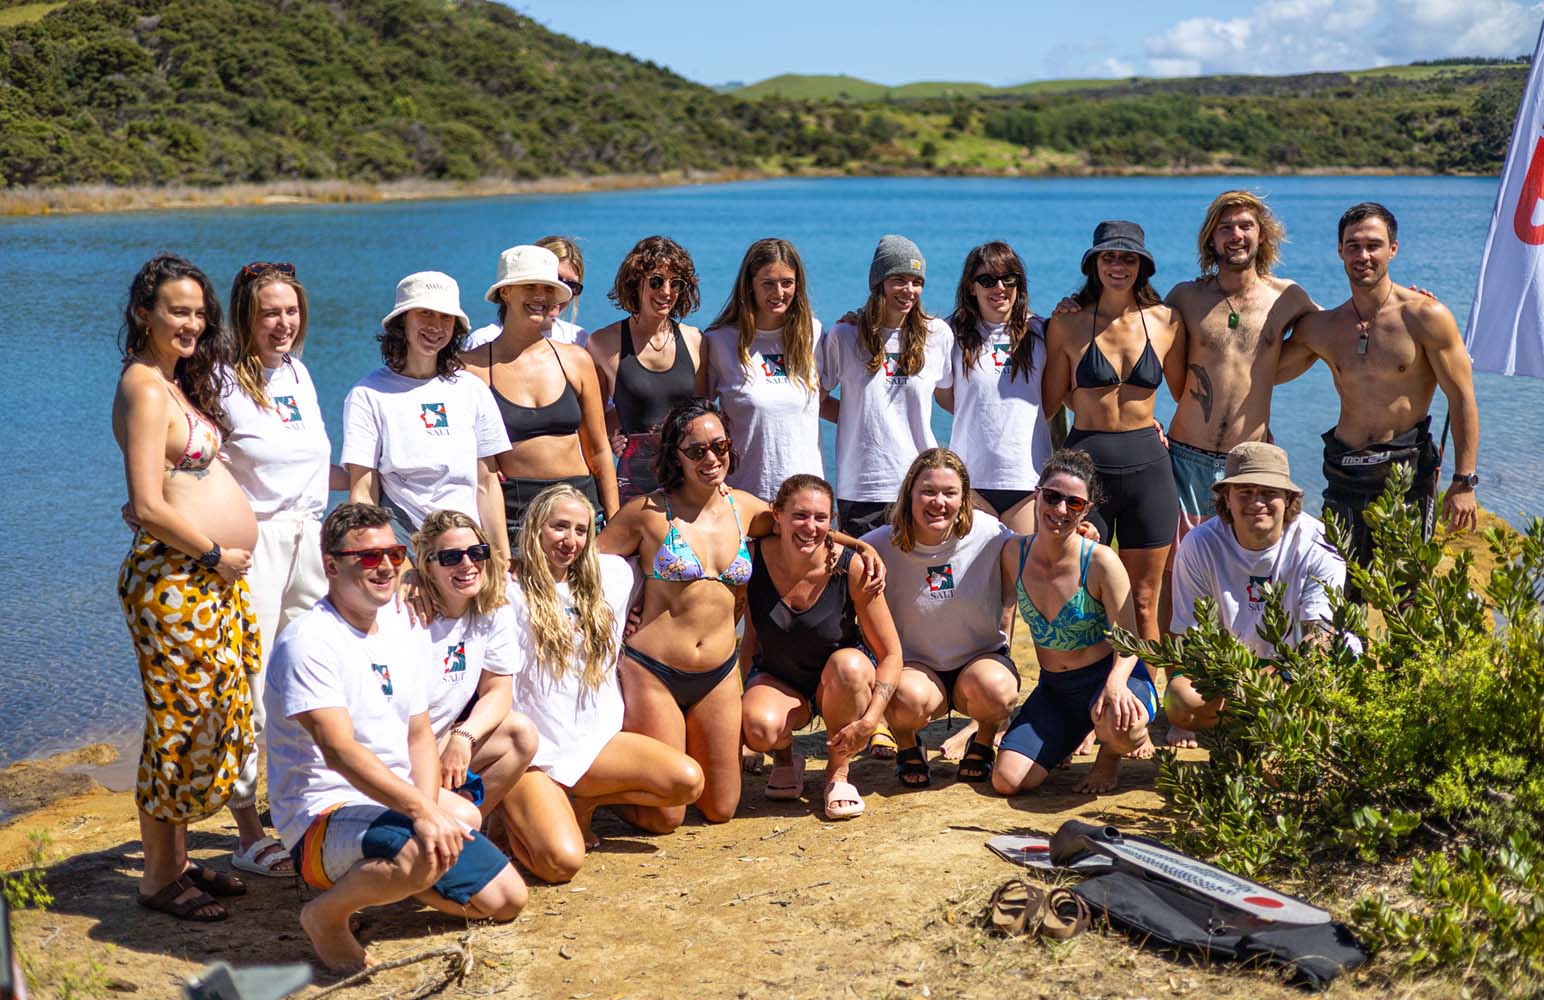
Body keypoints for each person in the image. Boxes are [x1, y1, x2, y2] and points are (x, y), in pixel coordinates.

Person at [265, 503, 526, 972]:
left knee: (507, 900)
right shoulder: (308, 640)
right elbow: (339, 752)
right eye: (367, 557)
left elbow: (419, 733)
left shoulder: (397, 630)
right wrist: (423, 813)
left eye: (393, 552)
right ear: (331, 566)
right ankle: (326, 914)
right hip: (323, 813)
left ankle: (390, 878)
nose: (385, 566)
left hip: (391, 799)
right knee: (423, 846)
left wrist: (426, 807)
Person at [599, 399, 881, 827]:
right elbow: (586, 566)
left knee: (720, 809)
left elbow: (802, 522)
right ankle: (589, 794)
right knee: (666, 817)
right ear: (676, 454)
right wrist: (617, 616)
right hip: (654, 671)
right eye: (696, 451)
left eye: (720, 445)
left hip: (718, 674)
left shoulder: (745, 509)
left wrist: (860, 545)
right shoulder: (647, 513)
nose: (711, 458)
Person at [114, 254, 260, 921]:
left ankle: (172, 862)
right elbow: (145, 503)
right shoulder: (145, 386)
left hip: (204, 579)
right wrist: (212, 553)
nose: (193, 323)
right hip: (179, 581)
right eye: (178, 310)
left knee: (203, 720)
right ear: (145, 312)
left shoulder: (175, 384)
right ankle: (157, 881)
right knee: (176, 724)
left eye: (201, 312)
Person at [498, 484, 704, 882]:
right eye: (559, 527)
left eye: (581, 529)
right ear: (536, 528)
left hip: (597, 743)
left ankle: (580, 799)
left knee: (686, 784)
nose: (570, 540)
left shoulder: (611, 576)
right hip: (533, 757)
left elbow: (671, 556)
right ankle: (513, 814)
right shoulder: (506, 591)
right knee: (561, 864)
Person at [1277, 201, 1480, 599]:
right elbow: (1263, 373)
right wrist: (1278, 307)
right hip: (1344, 473)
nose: (1363, 255)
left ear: (1393, 249)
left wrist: (1464, 481)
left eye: (1374, 245)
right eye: (1353, 246)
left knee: (1407, 598)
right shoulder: (1322, 327)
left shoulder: (1426, 316)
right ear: (1339, 251)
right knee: (1339, 593)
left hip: (1406, 473)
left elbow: (1462, 398)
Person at [218, 260, 346, 879]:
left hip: (311, 539)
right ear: (245, 315)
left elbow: (313, 467)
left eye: (291, 311)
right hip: (256, 547)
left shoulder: (297, 372)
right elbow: (194, 462)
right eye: (270, 312)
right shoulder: (218, 380)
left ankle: (297, 806)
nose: (283, 323)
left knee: (309, 679)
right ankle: (245, 828)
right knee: (249, 692)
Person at [1042, 221, 1183, 646]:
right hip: (1086, 468)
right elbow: (1048, 401)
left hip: (1150, 468)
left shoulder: (1166, 320)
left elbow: (1187, 391)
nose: (1118, 265)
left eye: (1127, 257)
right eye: (1109, 256)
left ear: (1142, 265)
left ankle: (1145, 697)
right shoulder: (1067, 324)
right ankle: (1092, 696)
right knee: (1085, 594)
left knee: (1144, 598)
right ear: (1094, 264)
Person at [993, 450, 1160, 796]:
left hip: (1111, 676)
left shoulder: (1100, 561)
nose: (1059, 510)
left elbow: (1130, 644)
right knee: (1007, 781)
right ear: (1036, 494)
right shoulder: (1014, 554)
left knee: (1120, 728)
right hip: (1056, 690)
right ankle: (1068, 737)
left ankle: (1110, 757)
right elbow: (1003, 613)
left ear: (1086, 510)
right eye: (1052, 497)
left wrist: (1115, 684)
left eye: (1073, 503)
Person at [740, 475, 904, 819]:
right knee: (759, 728)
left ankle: (838, 773)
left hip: (840, 681)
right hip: (777, 678)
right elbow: (743, 636)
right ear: (777, 516)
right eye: (800, 515)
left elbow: (890, 653)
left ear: (832, 523)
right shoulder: (751, 559)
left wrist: (872, 718)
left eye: (821, 518)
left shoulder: (853, 567)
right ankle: (785, 759)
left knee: (852, 667)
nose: (810, 527)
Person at [1166, 443, 1348, 736]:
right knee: (1180, 699)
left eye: (1268, 492)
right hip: (1233, 664)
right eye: (1245, 492)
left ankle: (1282, 736)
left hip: (1298, 663)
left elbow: (1320, 638)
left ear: (1289, 498)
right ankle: (1240, 734)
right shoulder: (1200, 543)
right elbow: (1191, 635)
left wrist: (1276, 679)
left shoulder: (1319, 544)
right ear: (1226, 497)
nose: (1257, 502)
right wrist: (1241, 680)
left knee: (1322, 689)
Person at [865, 449, 1020, 788]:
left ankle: (983, 740)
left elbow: (1036, 554)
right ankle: (907, 744)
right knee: (904, 697)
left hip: (979, 661)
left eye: (950, 493)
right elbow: (836, 555)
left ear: (964, 498)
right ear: (909, 494)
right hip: (916, 667)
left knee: (997, 690)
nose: (938, 502)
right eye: (928, 491)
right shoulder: (881, 543)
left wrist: (1083, 539)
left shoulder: (990, 533)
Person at [342, 271, 512, 557]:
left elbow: (486, 482)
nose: (436, 326)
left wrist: (501, 558)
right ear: (401, 321)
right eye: (425, 313)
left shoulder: (472, 389)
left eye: (445, 317)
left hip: (467, 549)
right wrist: (377, 558)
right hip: (405, 546)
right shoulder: (367, 394)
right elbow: (363, 491)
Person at [465, 244, 618, 534]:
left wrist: (615, 522)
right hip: (514, 518)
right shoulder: (471, 368)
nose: (541, 296)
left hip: (582, 512)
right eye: (530, 286)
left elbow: (599, 450)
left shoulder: (576, 360)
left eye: (549, 289)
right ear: (505, 292)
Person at [408, 510, 540, 820]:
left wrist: (463, 737)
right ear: (428, 565)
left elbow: (498, 690)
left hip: (440, 740)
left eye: (476, 552)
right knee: (464, 816)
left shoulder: (492, 610)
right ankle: (450, 827)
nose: (467, 564)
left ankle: (460, 832)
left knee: (521, 734)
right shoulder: (410, 613)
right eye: (451, 557)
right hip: (397, 754)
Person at [820, 234, 953, 536]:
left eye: (916, 281)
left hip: (920, 484)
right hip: (862, 486)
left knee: (916, 581)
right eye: (899, 280)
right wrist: (860, 416)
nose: (909, 290)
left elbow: (951, 397)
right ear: (879, 283)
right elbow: (818, 399)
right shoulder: (844, 335)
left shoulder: (938, 335)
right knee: (862, 579)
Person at [938, 240, 1053, 535]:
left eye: (1008, 278)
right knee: (972, 578)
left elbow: (1058, 395)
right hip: (970, 480)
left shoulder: (1043, 332)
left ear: (1019, 283)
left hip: (1028, 479)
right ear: (971, 287)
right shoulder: (948, 333)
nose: (999, 287)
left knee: (1022, 578)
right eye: (987, 280)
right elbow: (945, 395)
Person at [586, 236, 707, 502]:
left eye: (676, 283)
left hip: (689, 483)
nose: (666, 292)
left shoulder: (696, 340)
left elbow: (703, 418)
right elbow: (592, 424)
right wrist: (611, 439)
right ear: (635, 284)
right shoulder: (603, 343)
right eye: (656, 281)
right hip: (634, 487)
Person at [704, 237, 826, 500]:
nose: (779, 293)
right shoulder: (719, 340)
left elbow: (829, 395)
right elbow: (698, 417)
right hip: (745, 496)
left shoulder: (813, 334)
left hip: (807, 501)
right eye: (768, 283)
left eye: (787, 283)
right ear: (750, 286)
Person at [466, 234, 589, 349]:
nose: (556, 292)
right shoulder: (482, 341)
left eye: (572, 286)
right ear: (505, 291)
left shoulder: (578, 339)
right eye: (553, 281)